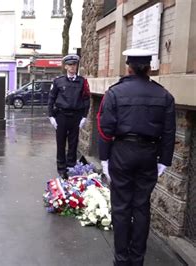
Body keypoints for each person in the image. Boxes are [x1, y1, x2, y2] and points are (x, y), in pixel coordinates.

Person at [98, 48, 176, 266]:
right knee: (141, 206)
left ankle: (121, 260)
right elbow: (169, 131)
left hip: (122, 152)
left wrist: (104, 158)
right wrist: (164, 161)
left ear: (128, 67)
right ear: (149, 68)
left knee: (121, 207)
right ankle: (137, 259)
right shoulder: (163, 94)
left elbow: (105, 128)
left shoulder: (114, 93)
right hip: (149, 154)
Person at [48, 54, 90, 179]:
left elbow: (86, 99)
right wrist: (51, 116)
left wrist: (84, 116)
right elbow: (51, 98)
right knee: (60, 143)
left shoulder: (82, 82)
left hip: (75, 116)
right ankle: (61, 168)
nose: (73, 67)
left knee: (73, 143)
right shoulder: (58, 81)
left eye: (75, 65)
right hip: (61, 116)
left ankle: (71, 167)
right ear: (65, 66)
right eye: (70, 65)